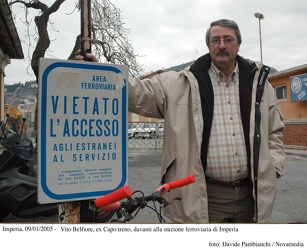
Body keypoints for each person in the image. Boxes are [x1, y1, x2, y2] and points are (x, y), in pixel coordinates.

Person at [77, 19, 285, 223]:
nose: (221, 45)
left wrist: (273, 167)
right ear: (209, 46)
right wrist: (102, 74)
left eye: (228, 39)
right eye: (215, 40)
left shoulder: (260, 85)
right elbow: (139, 92)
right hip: (205, 196)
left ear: (238, 44)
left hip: (252, 193)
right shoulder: (181, 84)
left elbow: (274, 131)